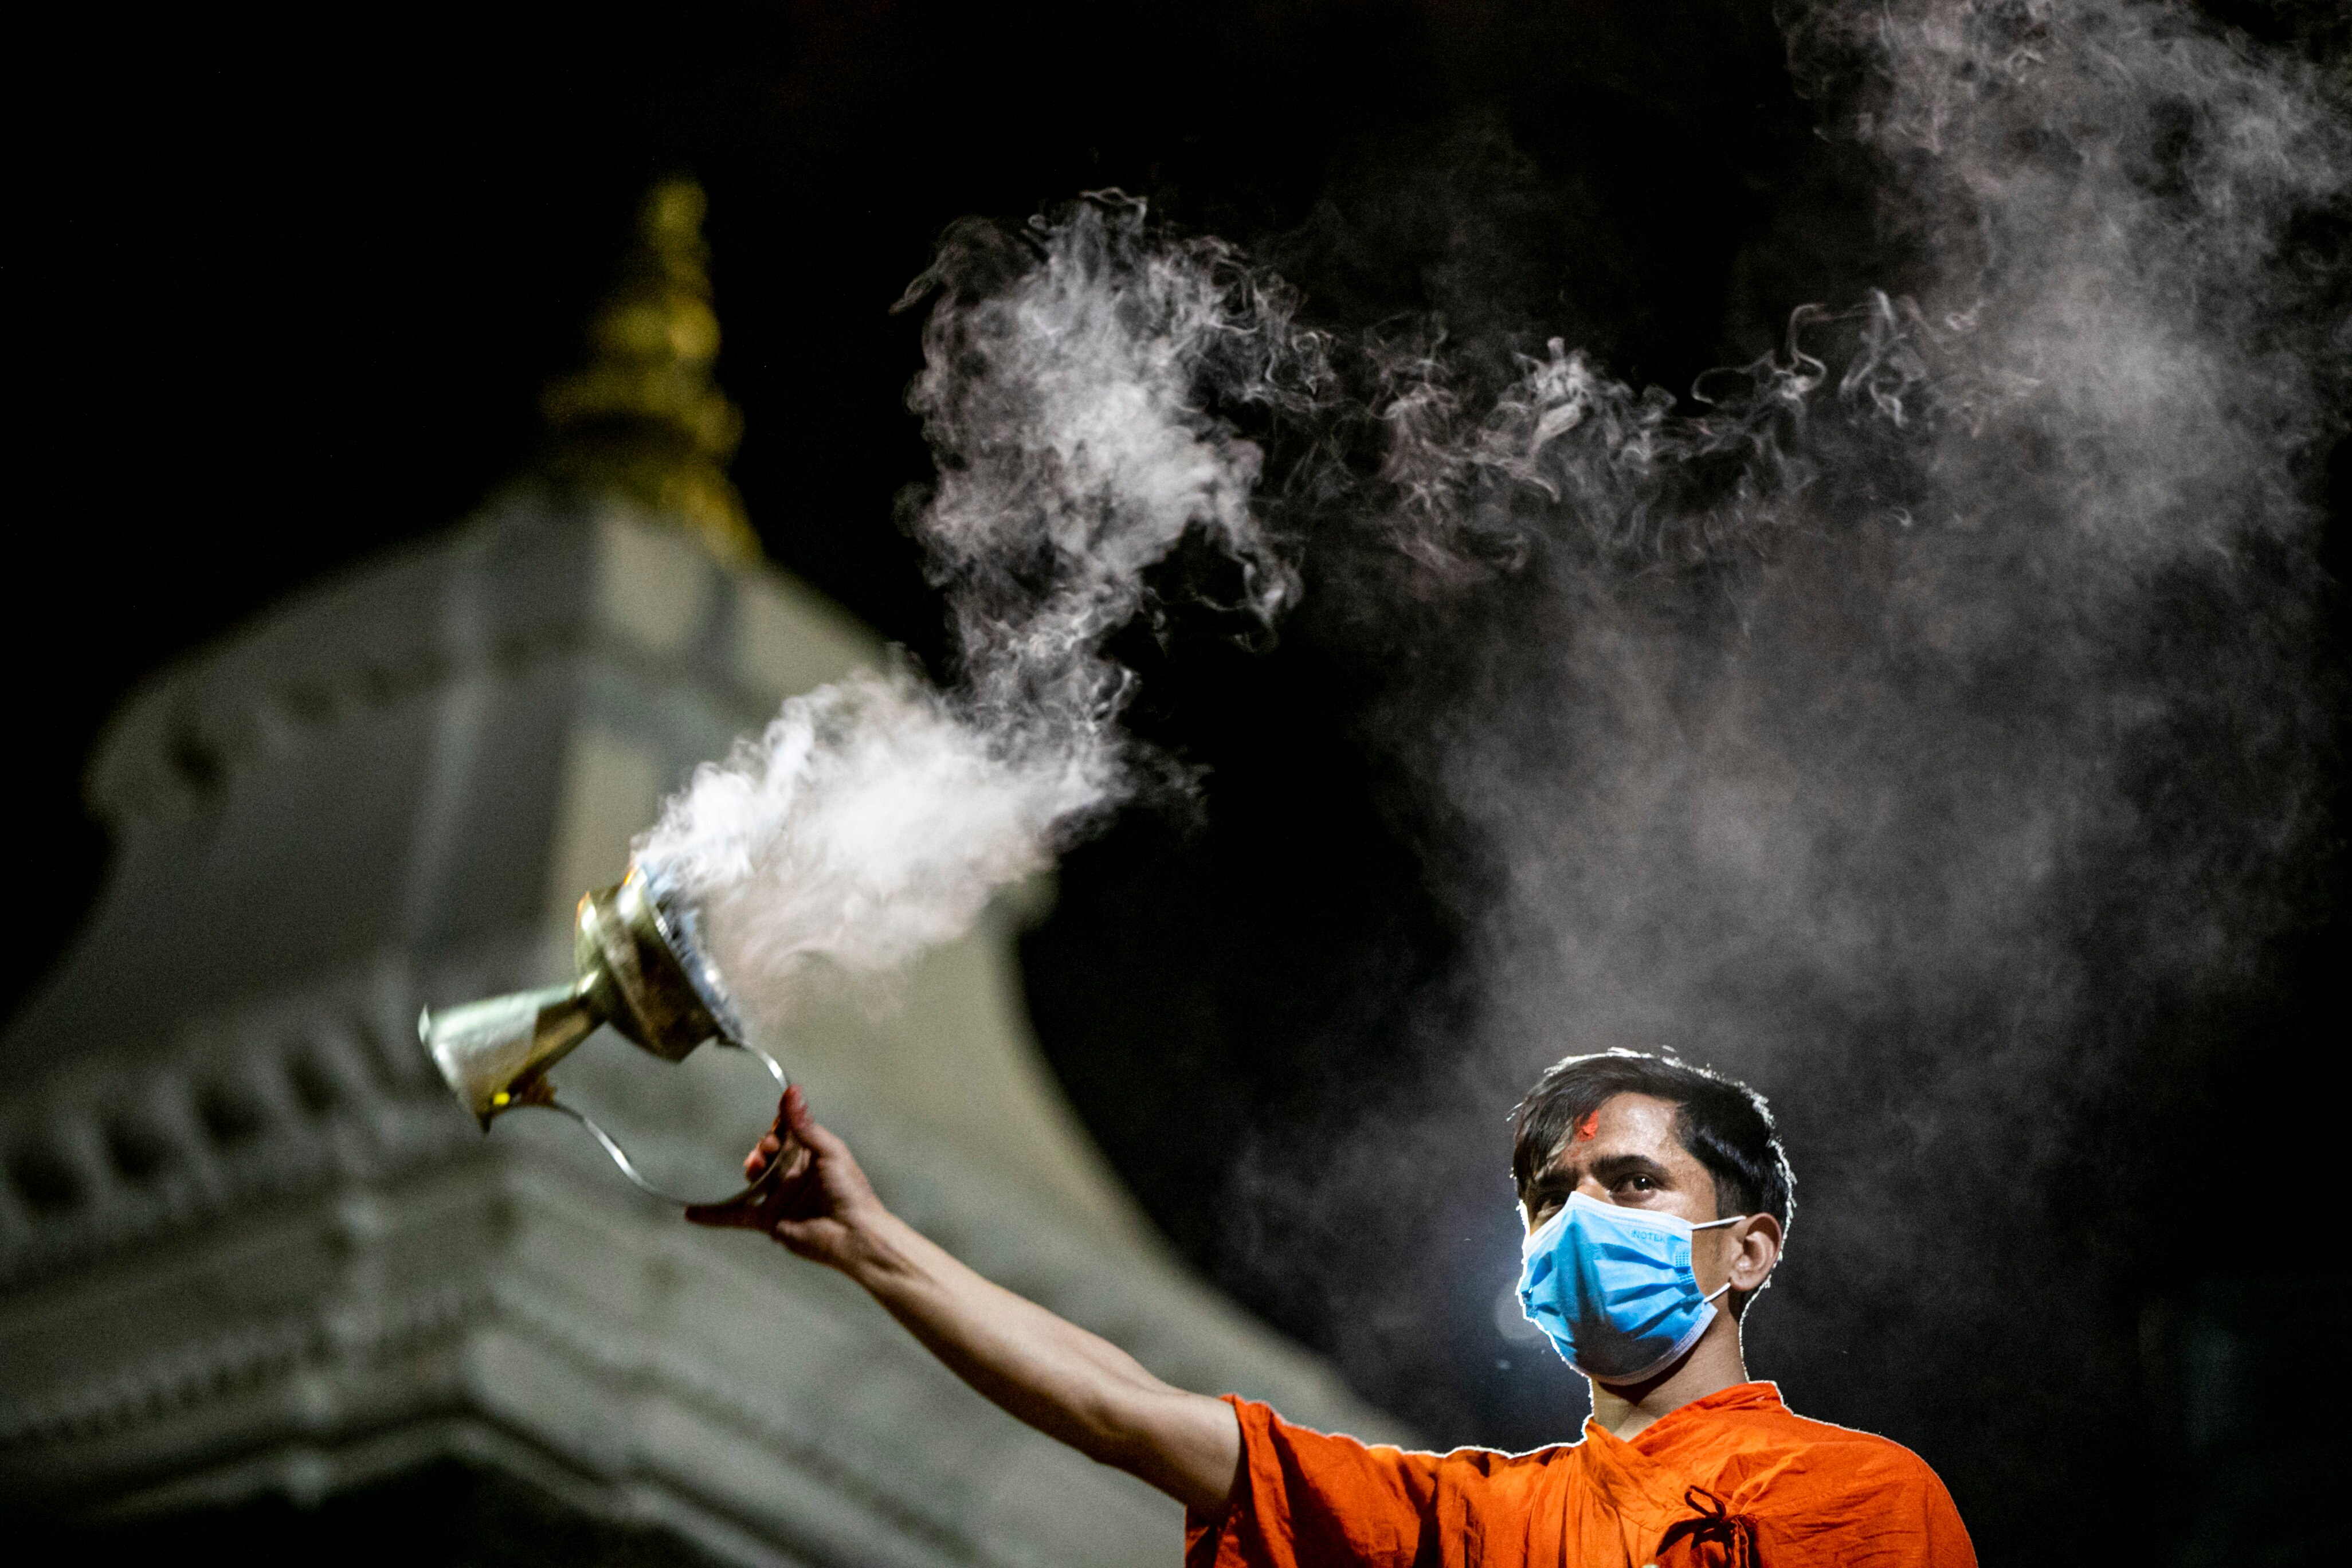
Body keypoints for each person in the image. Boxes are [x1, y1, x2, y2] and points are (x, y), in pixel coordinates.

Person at [688, 1048, 1977, 1566]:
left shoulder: (1854, 1498)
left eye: (1632, 1181)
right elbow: (1127, 1412)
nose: (1581, 1219)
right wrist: (871, 1243)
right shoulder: (1472, 1522)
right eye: (1550, 1195)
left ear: (1748, 1249)